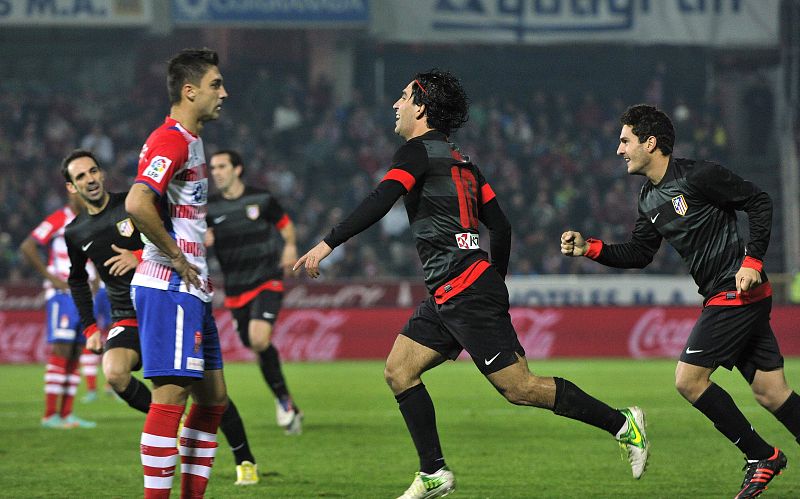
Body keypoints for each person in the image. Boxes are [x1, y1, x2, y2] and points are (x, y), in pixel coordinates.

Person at [294, 69, 650, 498]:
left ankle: (622, 423)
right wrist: (494, 278)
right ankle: (433, 473)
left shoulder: (415, 153)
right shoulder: (465, 164)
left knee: (519, 388)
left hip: (463, 288)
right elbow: (500, 226)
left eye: (403, 97)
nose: (395, 104)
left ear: (421, 107)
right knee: (399, 371)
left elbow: (380, 199)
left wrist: (327, 243)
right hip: (454, 290)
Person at [560, 104, 799, 499]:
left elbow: (759, 201)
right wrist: (590, 248)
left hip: (735, 292)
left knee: (688, 380)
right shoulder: (648, 199)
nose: (618, 149)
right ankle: (763, 456)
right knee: (772, 392)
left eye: (625, 141)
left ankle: (762, 456)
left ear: (649, 143)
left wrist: (753, 259)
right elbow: (639, 252)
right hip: (724, 297)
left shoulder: (699, 175)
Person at [63, 149, 260, 486]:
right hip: (128, 316)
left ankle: (244, 457)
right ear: (71, 187)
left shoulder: (133, 205)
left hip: (165, 302)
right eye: (81, 176)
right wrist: (91, 327)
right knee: (114, 372)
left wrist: (138, 255)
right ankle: (177, 423)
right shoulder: (75, 232)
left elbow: (174, 234)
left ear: (102, 173)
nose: (90, 179)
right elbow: (77, 280)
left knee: (208, 392)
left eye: (93, 171)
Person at [125, 48, 230, 498]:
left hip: (191, 289)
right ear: (189, 91)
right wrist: (177, 256)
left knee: (213, 401)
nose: (224, 93)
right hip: (171, 285)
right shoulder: (173, 140)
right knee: (171, 399)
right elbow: (136, 202)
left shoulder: (190, 138)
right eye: (215, 85)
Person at [206, 149, 303, 435]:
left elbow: (285, 226)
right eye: (213, 167)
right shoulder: (209, 208)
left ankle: (284, 402)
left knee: (259, 339)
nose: (216, 172)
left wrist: (290, 247)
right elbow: (198, 238)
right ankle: (284, 397)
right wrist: (203, 238)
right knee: (255, 344)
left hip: (266, 279)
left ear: (238, 169)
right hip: (236, 288)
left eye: (222, 166)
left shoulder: (261, 199)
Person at [20, 191, 96, 429]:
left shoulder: (92, 220)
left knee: (75, 351)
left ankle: (66, 414)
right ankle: (50, 414)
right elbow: (28, 246)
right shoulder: (58, 219)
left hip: (84, 296)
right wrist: (50, 277)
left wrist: (96, 279)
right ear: (71, 190)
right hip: (63, 295)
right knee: (62, 349)